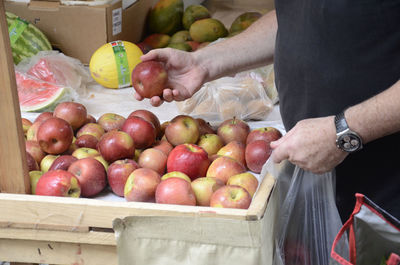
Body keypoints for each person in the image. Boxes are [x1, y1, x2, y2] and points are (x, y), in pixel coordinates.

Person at [134, 3, 400, 221]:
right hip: (319, 171)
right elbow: (295, 18)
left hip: (387, 189)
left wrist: (344, 131)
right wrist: (203, 62)